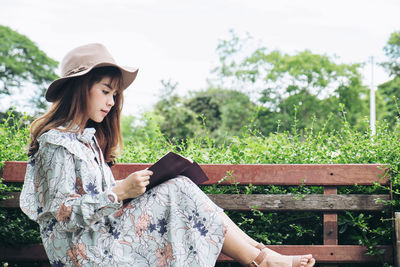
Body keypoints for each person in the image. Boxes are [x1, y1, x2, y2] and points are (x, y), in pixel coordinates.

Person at [20, 43, 316, 267]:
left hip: (104, 238)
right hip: (84, 253)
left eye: (115, 95)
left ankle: (262, 256)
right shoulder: (56, 144)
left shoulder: (88, 141)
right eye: (105, 91)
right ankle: (262, 259)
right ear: (80, 88)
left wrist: (131, 188)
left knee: (179, 186)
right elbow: (62, 216)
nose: (111, 102)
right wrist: (119, 192)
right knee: (179, 189)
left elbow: (92, 197)